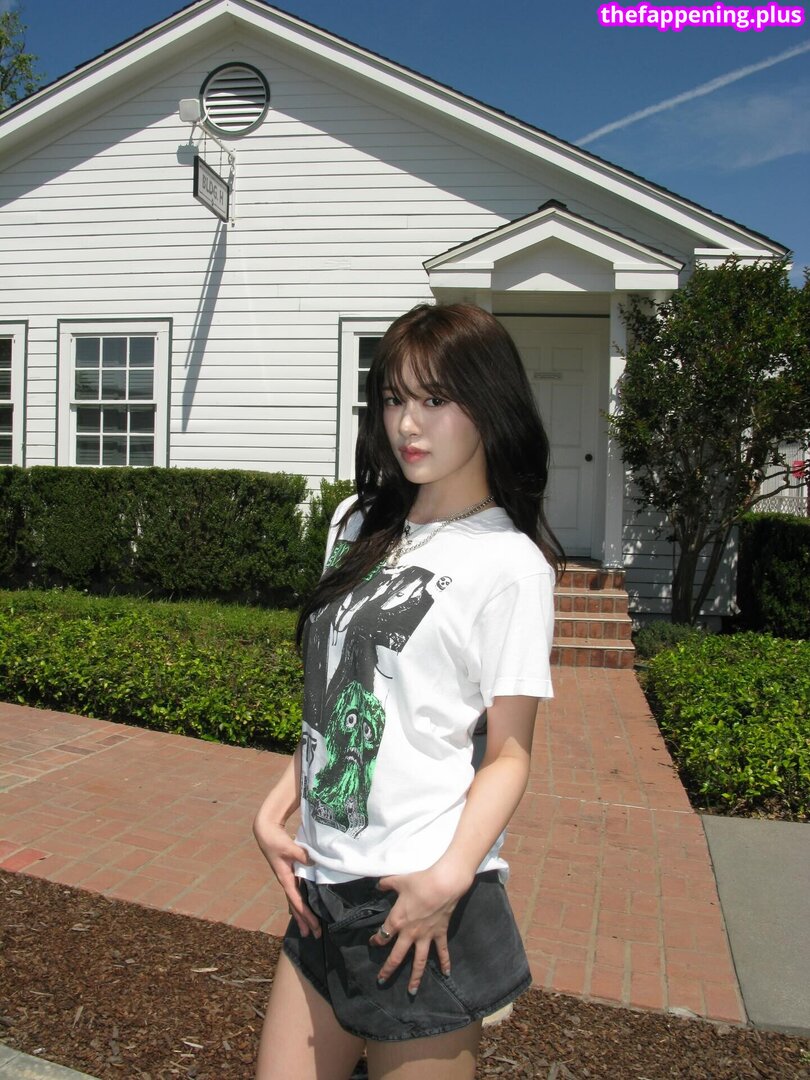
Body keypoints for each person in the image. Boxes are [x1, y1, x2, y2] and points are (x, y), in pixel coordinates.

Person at [253, 303, 562, 1080]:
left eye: (434, 399)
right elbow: (337, 701)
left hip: (419, 900)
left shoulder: (510, 566)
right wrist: (274, 807)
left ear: (490, 404)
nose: (408, 424)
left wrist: (447, 881)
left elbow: (510, 754)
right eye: (394, 398)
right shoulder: (358, 523)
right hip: (321, 893)